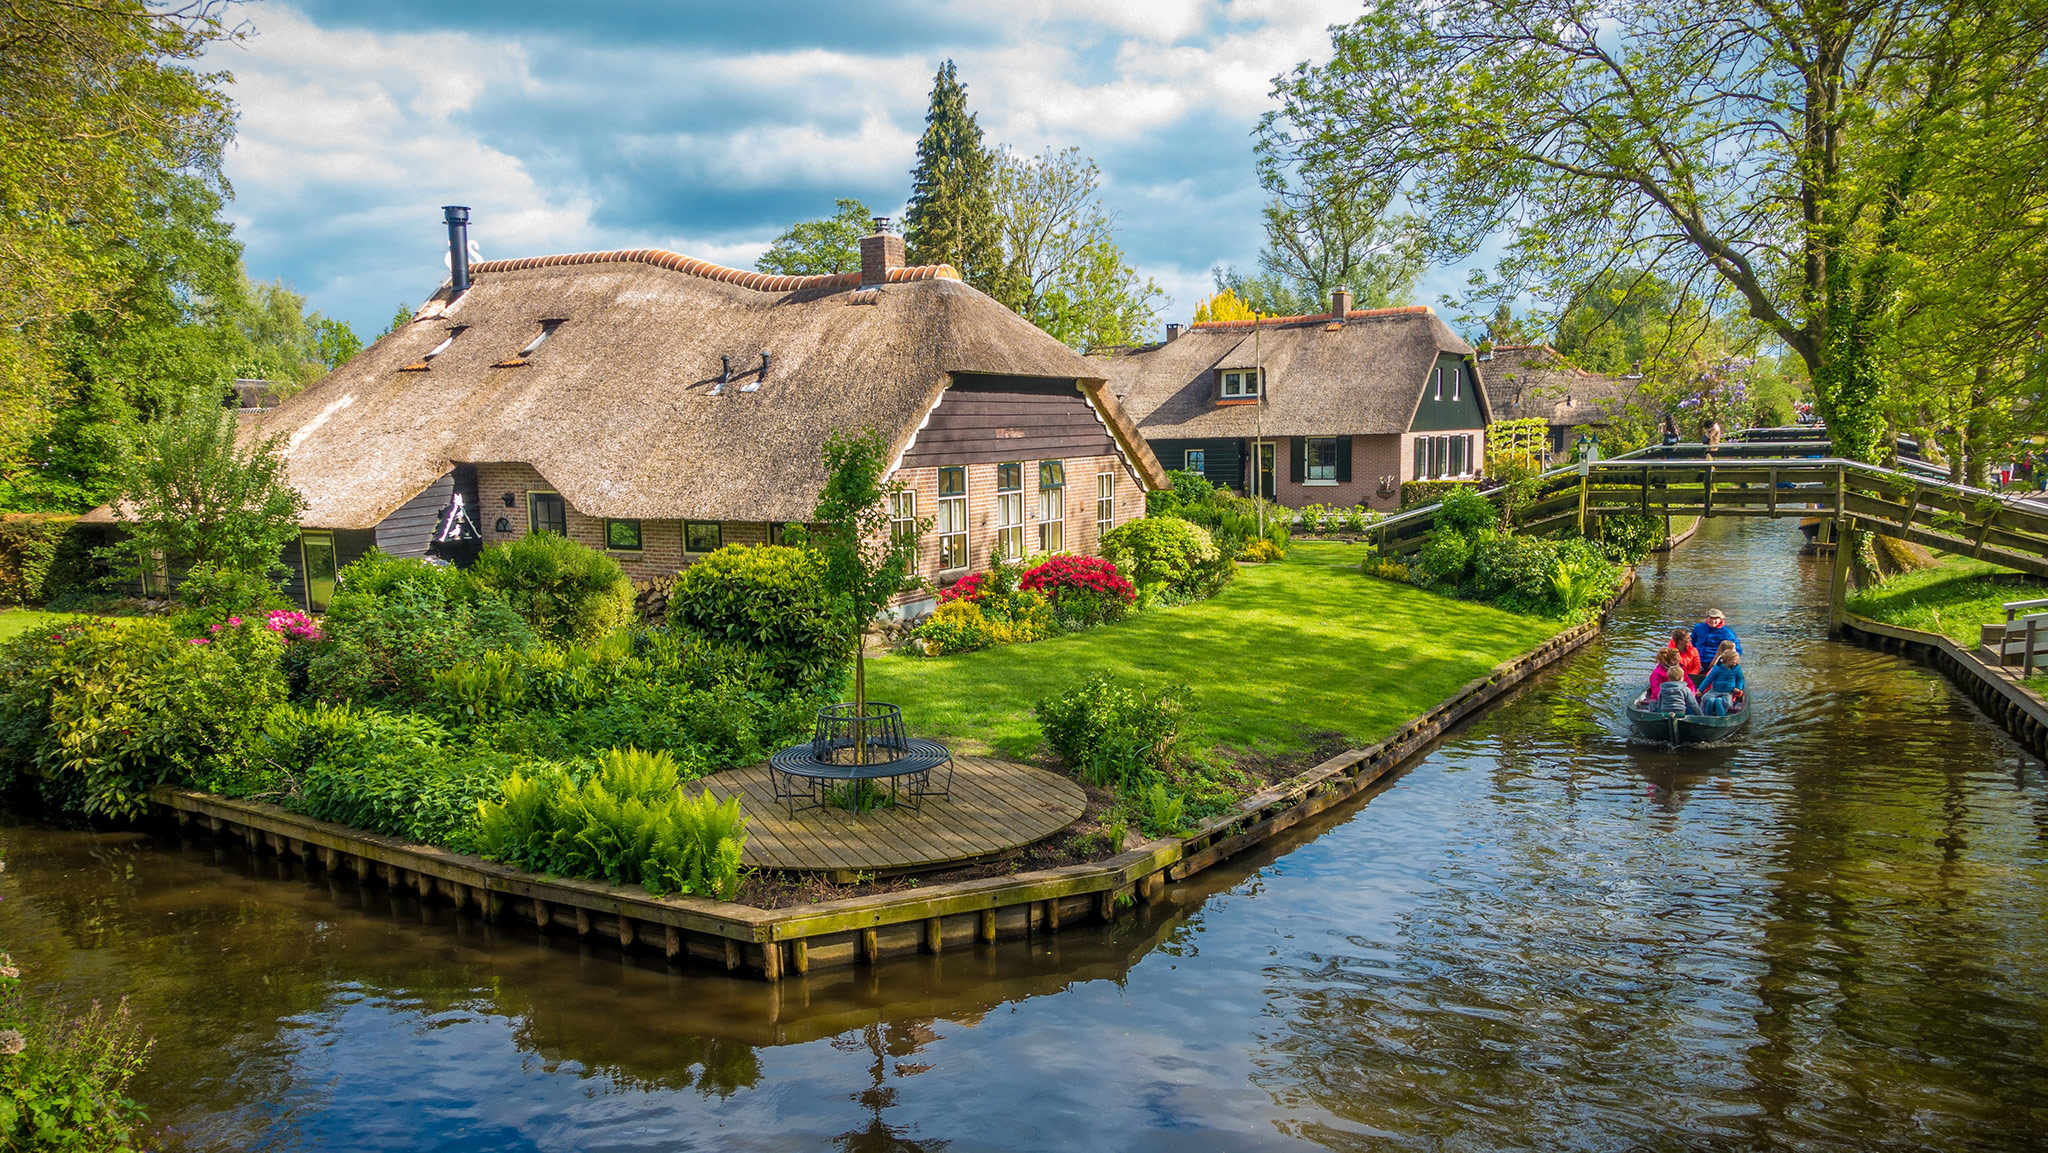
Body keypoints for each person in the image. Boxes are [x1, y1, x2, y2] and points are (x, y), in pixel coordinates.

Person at [1697, 641, 1745, 716]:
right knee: (1707, 699)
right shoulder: (1717, 668)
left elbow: (1740, 679)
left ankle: (1722, 717)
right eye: (1734, 660)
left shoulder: (1736, 668)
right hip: (1716, 690)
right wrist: (1700, 690)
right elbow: (1708, 679)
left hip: (1728, 691)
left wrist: (1738, 688)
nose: (1736, 662)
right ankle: (1705, 716)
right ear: (1727, 660)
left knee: (1723, 702)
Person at [1649, 649, 1700, 714]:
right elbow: (1657, 694)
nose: (1680, 659)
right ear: (1672, 661)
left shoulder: (1681, 669)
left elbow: (1690, 685)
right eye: (1678, 658)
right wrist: (1674, 699)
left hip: (1680, 700)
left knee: (1693, 708)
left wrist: (1690, 696)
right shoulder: (1657, 673)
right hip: (1661, 703)